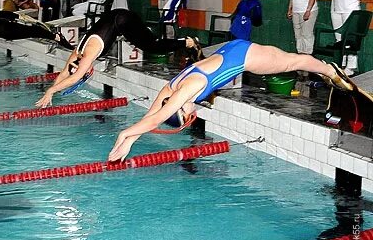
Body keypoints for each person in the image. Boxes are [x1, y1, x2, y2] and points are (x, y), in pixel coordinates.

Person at [107, 39, 355, 162]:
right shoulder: (170, 89)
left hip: (245, 57)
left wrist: (123, 136)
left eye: (188, 114)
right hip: (230, 50)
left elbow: (157, 118)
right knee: (290, 59)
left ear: (180, 108)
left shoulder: (187, 90)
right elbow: (152, 115)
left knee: (293, 62)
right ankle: (325, 70)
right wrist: (130, 141)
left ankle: (329, 70)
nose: (193, 111)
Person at [35, 8, 202, 108]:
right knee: (149, 43)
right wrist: (50, 93)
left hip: (124, 20)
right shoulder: (77, 53)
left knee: (153, 47)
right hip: (118, 17)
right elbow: (65, 73)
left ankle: (188, 42)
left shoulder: (87, 55)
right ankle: (182, 43)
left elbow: (74, 77)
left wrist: (51, 90)